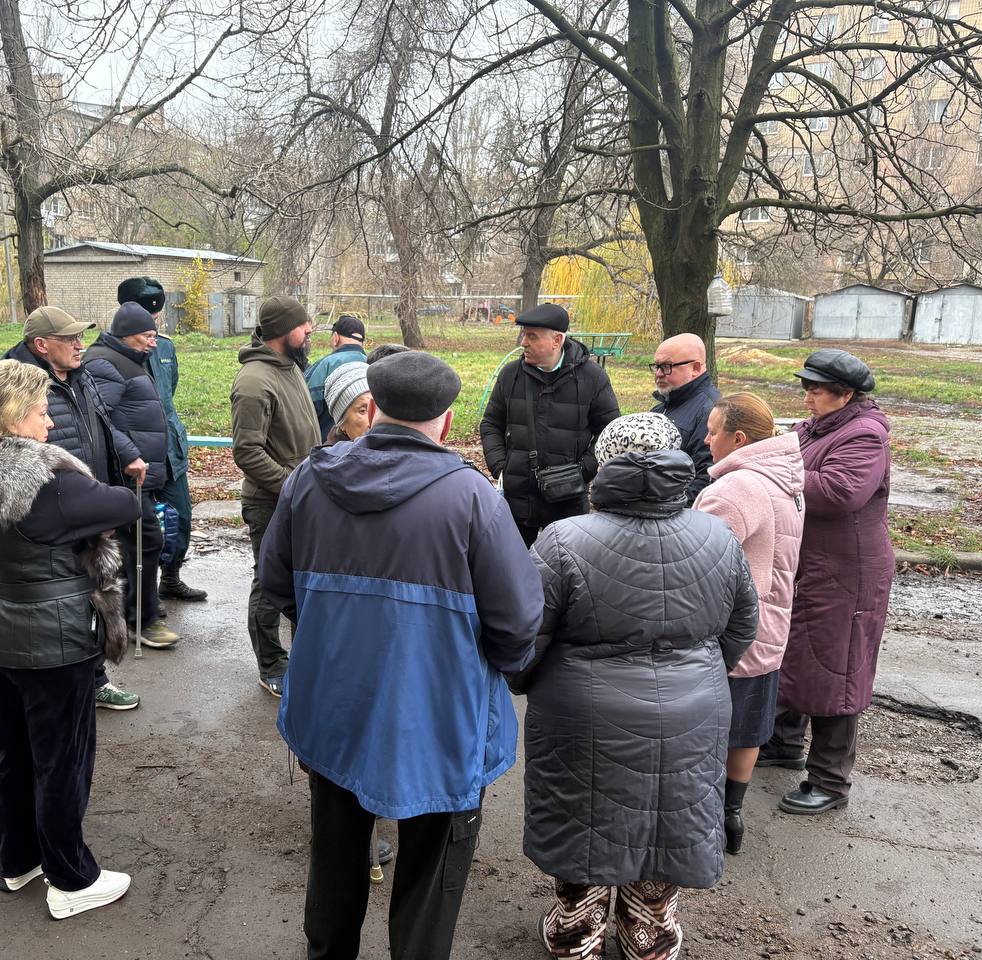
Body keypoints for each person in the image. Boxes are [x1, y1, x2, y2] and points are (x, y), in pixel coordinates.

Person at [260, 350, 543, 960]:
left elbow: (275, 586)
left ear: (374, 406)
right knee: (433, 866)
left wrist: (333, 634)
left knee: (335, 849)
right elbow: (518, 623)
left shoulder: (309, 480)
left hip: (332, 708)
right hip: (439, 719)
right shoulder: (473, 499)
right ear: (445, 420)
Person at [511, 412, 759, 960]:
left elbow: (527, 635)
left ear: (604, 465)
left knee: (582, 820)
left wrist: (527, 681)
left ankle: (578, 928)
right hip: (694, 709)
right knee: (669, 819)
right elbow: (743, 625)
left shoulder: (563, 539)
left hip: (581, 713)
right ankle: (648, 931)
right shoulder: (717, 535)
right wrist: (700, 672)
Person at [0, 359, 141, 919]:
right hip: (53, 638)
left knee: (17, 755)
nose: (50, 424)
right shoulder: (47, 485)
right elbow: (123, 503)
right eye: (39, 413)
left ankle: (19, 861)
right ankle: (71, 879)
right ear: (12, 417)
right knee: (63, 760)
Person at [760, 349, 895, 815]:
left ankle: (831, 781)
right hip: (813, 562)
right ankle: (782, 743)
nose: (807, 395)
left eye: (816, 388)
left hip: (848, 572)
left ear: (847, 393)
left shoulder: (865, 435)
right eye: (806, 386)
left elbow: (840, 492)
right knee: (796, 651)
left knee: (838, 669)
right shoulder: (814, 427)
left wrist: (778, 476)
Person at [5, 306, 146, 710]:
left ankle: (92, 674)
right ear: (41, 345)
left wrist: (128, 454)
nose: (80, 344)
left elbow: (102, 423)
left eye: (80, 337)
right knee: (69, 597)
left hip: (87, 498)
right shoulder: (20, 384)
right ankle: (87, 679)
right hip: (55, 508)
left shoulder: (79, 377)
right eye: (70, 339)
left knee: (95, 587)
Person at [694, 393, 806, 854]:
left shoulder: (737, 488)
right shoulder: (784, 479)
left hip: (731, 629)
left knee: (714, 727)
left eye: (713, 430)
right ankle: (732, 817)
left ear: (738, 438)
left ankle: (706, 820)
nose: (705, 438)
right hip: (771, 620)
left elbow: (697, 559)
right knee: (749, 726)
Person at [230, 295, 321, 698]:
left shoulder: (290, 367)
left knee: (300, 581)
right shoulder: (254, 381)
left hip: (299, 498)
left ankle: (304, 658)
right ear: (285, 331)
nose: (310, 331)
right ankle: (271, 665)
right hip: (271, 503)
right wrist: (293, 484)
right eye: (304, 325)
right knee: (269, 584)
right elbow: (246, 451)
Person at [479, 303, 621, 546]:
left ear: (557, 340)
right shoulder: (511, 375)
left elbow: (610, 433)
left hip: (567, 501)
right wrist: (501, 467)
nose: (523, 342)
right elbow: (491, 423)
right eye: (524, 335)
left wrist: (581, 471)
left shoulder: (592, 377)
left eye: (532, 336)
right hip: (517, 499)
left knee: (569, 573)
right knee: (513, 572)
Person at [82, 302, 180, 649]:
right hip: (125, 475)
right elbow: (98, 418)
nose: (153, 342)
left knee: (138, 542)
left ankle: (135, 612)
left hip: (137, 474)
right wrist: (129, 454)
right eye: (147, 336)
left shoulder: (126, 359)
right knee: (145, 540)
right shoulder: (106, 364)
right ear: (126, 335)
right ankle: (142, 619)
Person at [116, 276, 207, 604]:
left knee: (181, 517)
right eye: (146, 316)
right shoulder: (114, 353)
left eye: (156, 316)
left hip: (171, 452)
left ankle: (172, 577)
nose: (153, 322)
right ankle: (141, 593)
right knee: (142, 528)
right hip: (137, 455)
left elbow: (168, 394)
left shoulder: (166, 346)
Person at [649, 332, 720, 505]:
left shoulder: (711, 411)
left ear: (695, 368)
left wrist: (665, 511)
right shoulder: (663, 406)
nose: (658, 374)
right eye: (656, 366)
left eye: (666, 366)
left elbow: (706, 478)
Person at [304, 315, 368, 440]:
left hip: (328, 446)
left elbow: (307, 409)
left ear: (335, 338)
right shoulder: (374, 363)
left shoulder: (324, 365)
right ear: (363, 343)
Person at [322, 361, 372, 444]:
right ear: (342, 425)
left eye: (378, 408)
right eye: (363, 411)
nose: (375, 418)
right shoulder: (326, 456)